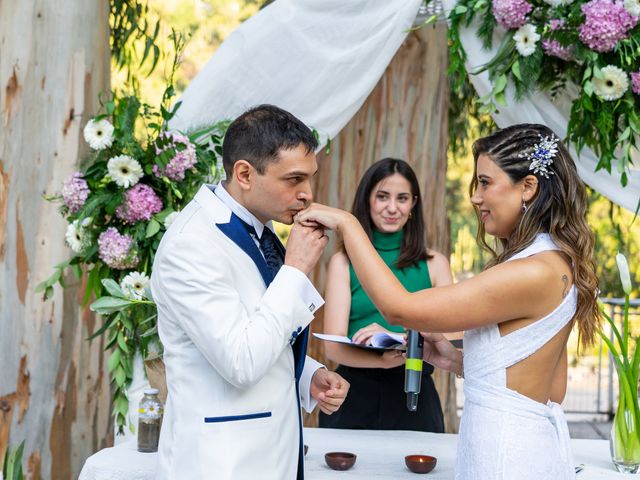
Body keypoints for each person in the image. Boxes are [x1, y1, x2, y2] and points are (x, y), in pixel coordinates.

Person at [297, 123, 600, 480]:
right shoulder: (552, 262)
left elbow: (399, 309)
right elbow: (549, 388)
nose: (475, 197)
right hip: (519, 449)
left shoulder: (532, 272)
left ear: (528, 188)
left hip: (506, 458)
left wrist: (348, 224)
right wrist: (453, 359)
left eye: (485, 183)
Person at [151, 104, 350, 480]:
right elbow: (240, 361)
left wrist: (307, 374)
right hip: (222, 464)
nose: (308, 194)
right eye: (293, 180)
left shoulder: (260, 229)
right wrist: (295, 270)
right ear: (244, 173)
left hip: (273, 453)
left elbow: (251, 325)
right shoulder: (190, 244)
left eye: (310, 178)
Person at [319, 158, 451, 432]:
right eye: (382, 197)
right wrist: (379, 360)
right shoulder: (343, 263)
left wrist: (401, 342)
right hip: (352, 395)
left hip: (415, 396)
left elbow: (452, 339)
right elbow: (332, 347)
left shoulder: (435, 264)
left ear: (413, 204)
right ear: (367, 200)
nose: (392, 208)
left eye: (402, 198)